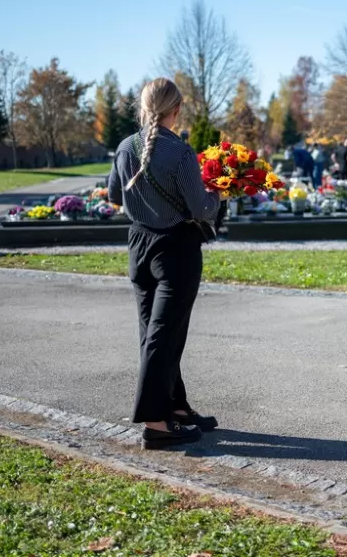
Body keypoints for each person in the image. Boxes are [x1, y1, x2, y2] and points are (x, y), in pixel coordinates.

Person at [108, 77, 220, 451]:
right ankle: (157, 424)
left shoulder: (125, 148)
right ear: (176, 110)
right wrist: (219, 191)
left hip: (139, 246)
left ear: (142, 107)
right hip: (175, 249)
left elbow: (112, 194)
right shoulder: (180, 153)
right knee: (164, 335)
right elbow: (201, 208)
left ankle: (176, 408)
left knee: (155, 333)